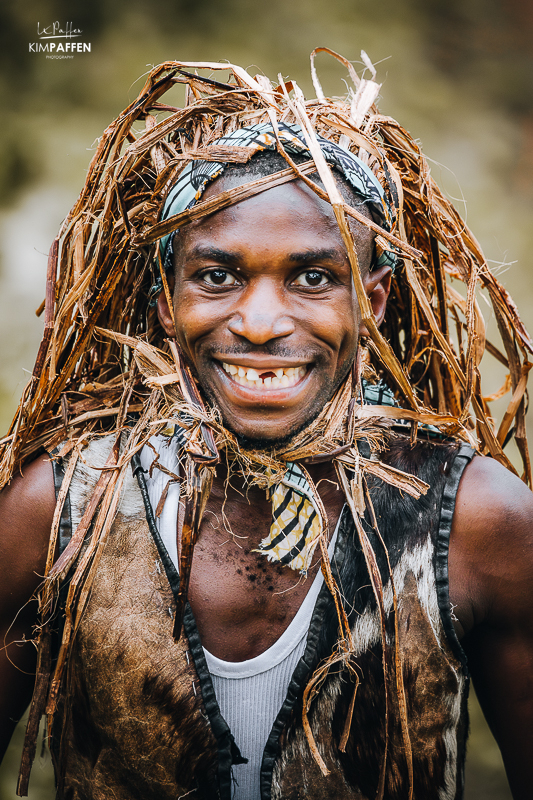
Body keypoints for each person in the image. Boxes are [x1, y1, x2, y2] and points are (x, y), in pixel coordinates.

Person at [1, 54, 532, 800]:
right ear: (165, 301)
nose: (257, 323)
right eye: (217, 276)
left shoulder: (476, 520)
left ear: (372, 302)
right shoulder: (60, 510)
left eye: (313, 277)